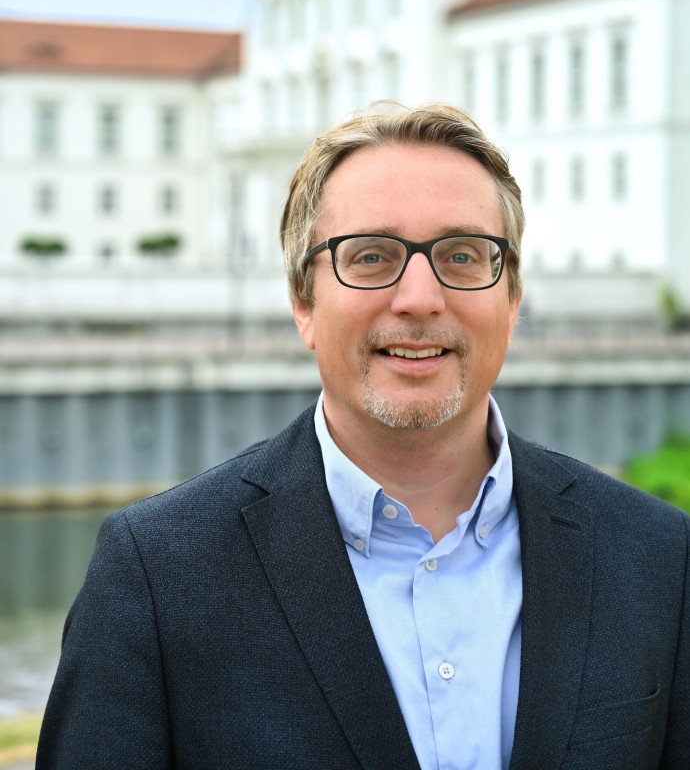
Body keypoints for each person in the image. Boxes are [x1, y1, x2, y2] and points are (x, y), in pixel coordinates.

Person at [37, 104, 689, 770]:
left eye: (463, 255)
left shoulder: (660, 558)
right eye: (372, 256)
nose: (419, 298)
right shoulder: (157, 575)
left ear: (512, 297)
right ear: (303, 300)